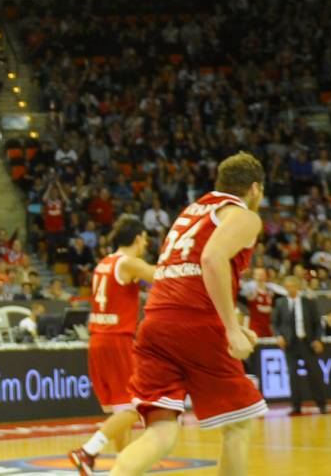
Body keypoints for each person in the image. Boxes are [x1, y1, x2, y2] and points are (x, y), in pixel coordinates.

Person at [110, 152, 268, 476]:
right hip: (194, 324)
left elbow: (188, 274)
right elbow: (211, 259)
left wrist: (231, 323)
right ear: (255, 188)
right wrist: (231, 329)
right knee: (238, 425)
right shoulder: (244, 215)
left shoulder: (192, 211)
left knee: (162, 431)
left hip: (155, 323)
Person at [69, 214, 156, 475]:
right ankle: (88, 450)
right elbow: (162, 276)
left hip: (97, 340)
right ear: (138, 238)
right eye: (145, 240)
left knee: (121, 410)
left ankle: (123, 468)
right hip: (117, 340)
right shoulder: (129, 263)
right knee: (137, 407)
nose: (145, 245)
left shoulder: (103, 263)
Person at [271, 275, 328, 415]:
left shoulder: (308, 302)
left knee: (315, 374)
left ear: (298, 287)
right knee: (293, 376)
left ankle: (322, 404)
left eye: (292, 286)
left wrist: (318, 339)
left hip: (307, 343)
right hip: (290, 344)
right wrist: (279, 336)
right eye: (287, 286)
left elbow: (318, 323)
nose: (290, 289)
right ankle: (296, 406)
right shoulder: (280, 303)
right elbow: (275, 323)